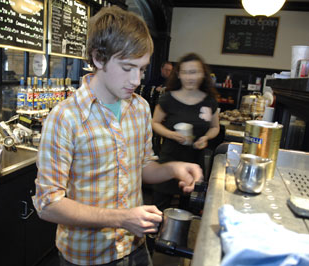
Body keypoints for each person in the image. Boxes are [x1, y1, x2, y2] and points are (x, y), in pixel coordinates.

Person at [33, 6, 203, 266]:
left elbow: (143, 167)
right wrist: (122, 218)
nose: (136, 80)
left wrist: (173, 169)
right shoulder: (65, 117)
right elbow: (48, 205)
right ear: (99, 58)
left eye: (143, 69)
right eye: (127, 68)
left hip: (134, 246)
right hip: (87, 256)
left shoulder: (140, 108)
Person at [151, 53, 220, 211]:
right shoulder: (168, 98)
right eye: (186, 72)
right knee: (159, 207)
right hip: (169, 160)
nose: (190, 77)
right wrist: (171, 134)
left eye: (194, 72)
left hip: (195, 161)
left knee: (189, 208)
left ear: (202, 74)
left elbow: (215, 127)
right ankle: (152, 236)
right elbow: (154, 123)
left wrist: (206, 137)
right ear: (179, 74)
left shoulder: (209, 101)